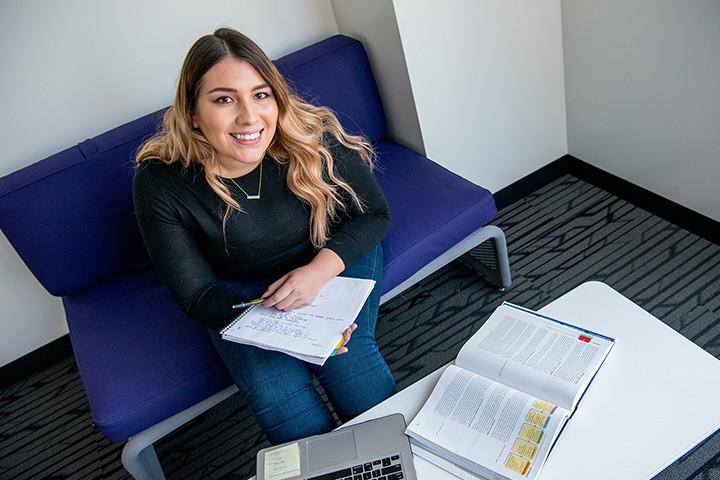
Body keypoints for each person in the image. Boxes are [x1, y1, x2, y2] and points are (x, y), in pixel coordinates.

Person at [132, 27, 398, 444]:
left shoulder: (312, 134)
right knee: (281, 397)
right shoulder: (161, 181)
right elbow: (197, 295)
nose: (249, 117)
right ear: (193, 112)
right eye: (224, 99)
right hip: (238, 290)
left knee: (348, 362)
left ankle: (396, 460)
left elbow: (374, 216)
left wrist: (315, 275)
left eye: (261, 95)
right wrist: (279, 321)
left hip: (331, 253)